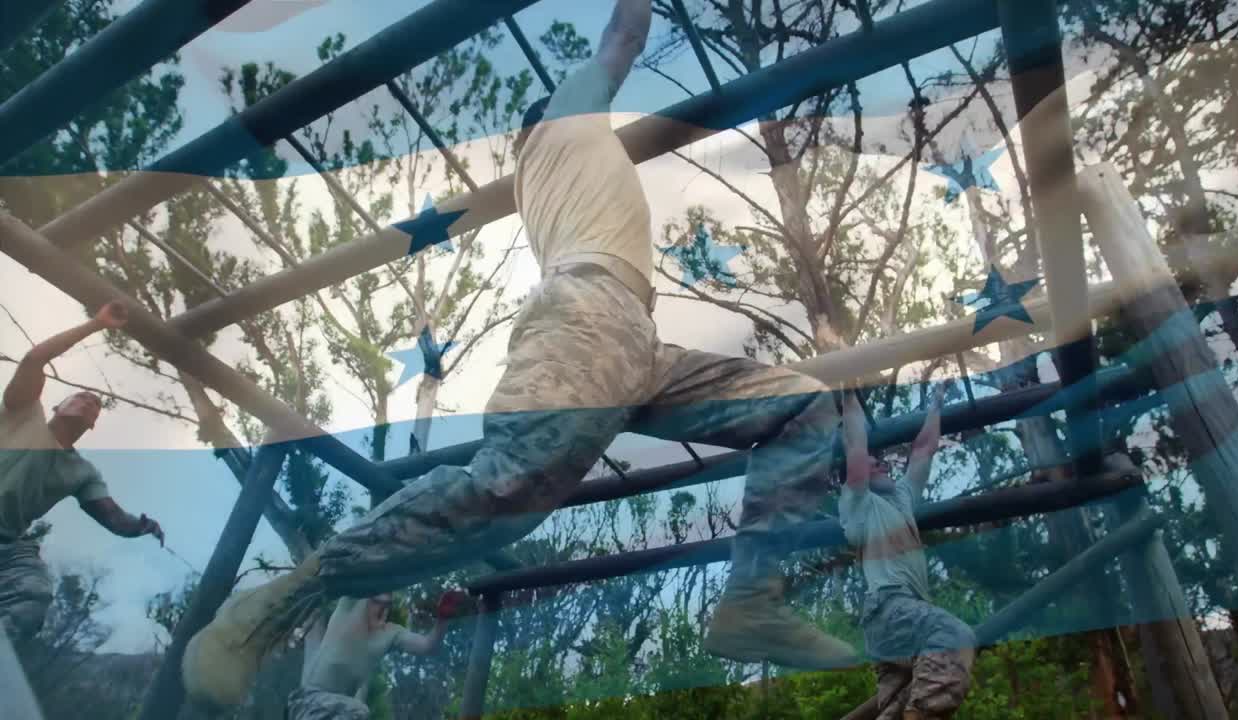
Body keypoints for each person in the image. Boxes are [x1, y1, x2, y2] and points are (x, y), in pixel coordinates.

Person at [185, 0, 854, 705]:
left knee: (801, 406)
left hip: (634, 341)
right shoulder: (565, 117)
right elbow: (624, 36)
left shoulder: (548, 180)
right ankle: (280, 602)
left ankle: (754, 600)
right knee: (506, 490)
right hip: (591, 319)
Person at [0, 301, 164, 640]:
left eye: (95, 406)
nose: (89, 402)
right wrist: (96, 324)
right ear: (57, 406)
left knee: (34, 592)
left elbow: (113, 518)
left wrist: (142, 525)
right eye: (81, 397)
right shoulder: (23, 413)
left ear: (92, 425)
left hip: (6, 542)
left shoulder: (83, 473)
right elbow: (33, 360)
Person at [839, 388, 975, 720]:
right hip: (890, 608)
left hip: (901, 619)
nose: (884, 464)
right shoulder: (859, 505)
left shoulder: (901, 499)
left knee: (898, 703)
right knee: (954, 637)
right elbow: (855, 450)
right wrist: (848, 397)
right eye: (877, 463)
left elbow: (923, 449)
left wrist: (936, 405)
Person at [287, 590, 466, 720]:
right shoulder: (350, 604)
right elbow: (358, 574)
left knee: (358, 711)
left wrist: (443, 619)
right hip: (309, 701)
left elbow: (428, 646)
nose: (382, 611)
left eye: (387, 605)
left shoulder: (389, 633)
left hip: (338, 712)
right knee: (360, 710)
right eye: (377, 603)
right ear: (367, 599)